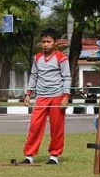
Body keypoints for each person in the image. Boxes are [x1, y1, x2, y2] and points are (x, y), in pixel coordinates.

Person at [20, 27, 71, 165]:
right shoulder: (37, 58)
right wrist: (28, 93)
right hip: (41, 96)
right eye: (43, 42)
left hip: (57, 96)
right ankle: (29, 155)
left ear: (55, 43)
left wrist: (66, 96)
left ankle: (54, 156)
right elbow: (34, 75)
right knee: (35, 126)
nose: (46, 44)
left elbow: (66, 77)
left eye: (48, 41)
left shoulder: (61, 58)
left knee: (56, 127)